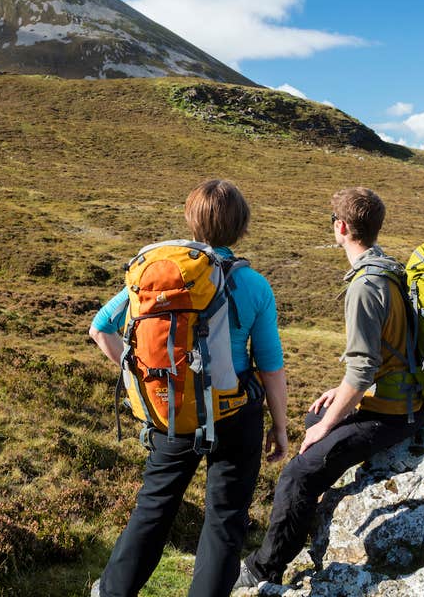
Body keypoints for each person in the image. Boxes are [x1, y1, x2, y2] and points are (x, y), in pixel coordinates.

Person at [89, 179, 289, 597]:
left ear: (191, 221)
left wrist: (144, 378)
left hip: (174, 409)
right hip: (236, 415)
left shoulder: (160, 273)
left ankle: (112, 592)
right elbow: (270, 364)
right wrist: (281, 428)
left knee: (153, 508)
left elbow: (100, 328)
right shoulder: (254, 285)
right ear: (241, 227)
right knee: (225, 517)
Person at [237, 186, 424, 588]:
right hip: (406, 397)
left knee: (299, 473)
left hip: (394, 413)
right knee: (316, 413)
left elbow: (362, 371)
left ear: (341, 228)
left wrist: (324, 429)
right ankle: (305, 523)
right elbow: (383, 356)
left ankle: (263, 569)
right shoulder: (388, 267)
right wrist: (335, 398)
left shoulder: (364, 286)